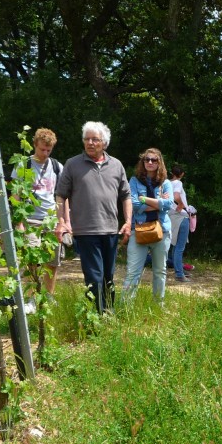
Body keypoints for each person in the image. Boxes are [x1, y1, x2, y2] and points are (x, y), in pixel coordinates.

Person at [54, 122, 131, 313]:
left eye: (94, 139)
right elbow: (60, 195)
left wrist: (128, 222)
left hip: (111, 230)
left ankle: (108, 312)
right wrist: (61, 222)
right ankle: (96, 317)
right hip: (85, 231)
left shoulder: (116, 165)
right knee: (94, 276)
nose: (90, 143)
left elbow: (126, 196)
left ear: (104, 143)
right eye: (86, 139)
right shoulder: (73, 164)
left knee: (108, 276)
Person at [11, 128, 65, 297]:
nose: (45, 153)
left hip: (51, 220)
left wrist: (61, 221)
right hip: (30, 220)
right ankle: (31, 298)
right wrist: (18, 222)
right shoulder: (23, 165)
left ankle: (48, 297)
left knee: (52, 262)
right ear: (35, 145)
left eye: (49, 150)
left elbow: (61, 195)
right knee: (31, 260)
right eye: (42, 149)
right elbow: (16, 195)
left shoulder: (57, 166)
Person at [122, 149, 174, 302]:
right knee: (133, 271)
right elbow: (133, 203)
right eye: (147, 159)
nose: (150, 162)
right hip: (138, 229)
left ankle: (159, 305)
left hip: (161, 230)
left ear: (160, 163)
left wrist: (144, 199)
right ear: (143, 162)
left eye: (154, 160)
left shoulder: (166, 183)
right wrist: (158, 203)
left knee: (160, 271)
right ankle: (126, 307)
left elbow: (168, 204)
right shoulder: (134, 181)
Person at [167, 166, 193, 283]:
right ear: (181, 174)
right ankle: (179, 274)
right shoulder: (178, 183)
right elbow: (177, 196)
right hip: (181, 216)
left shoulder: (166, 182)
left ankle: (180, 270)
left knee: (174, 245)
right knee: (179, 247)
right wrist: (182, 205)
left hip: (171, 216)